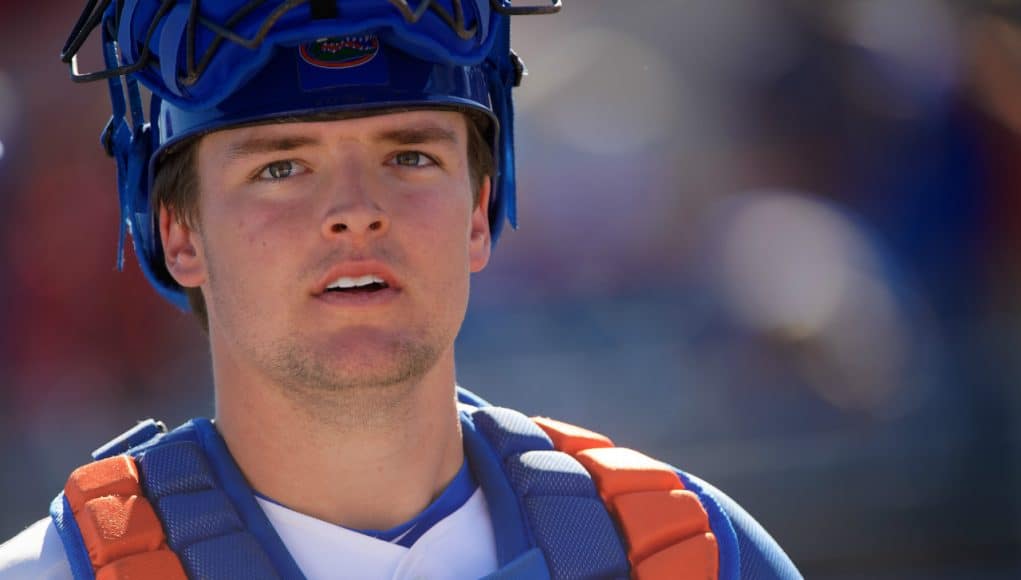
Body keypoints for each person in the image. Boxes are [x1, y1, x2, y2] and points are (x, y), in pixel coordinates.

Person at [0, 2, 801, 578]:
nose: (355, 212)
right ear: (180, 234)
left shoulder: (691, 554)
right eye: (280, 168)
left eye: (410, 157)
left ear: (480, 210)